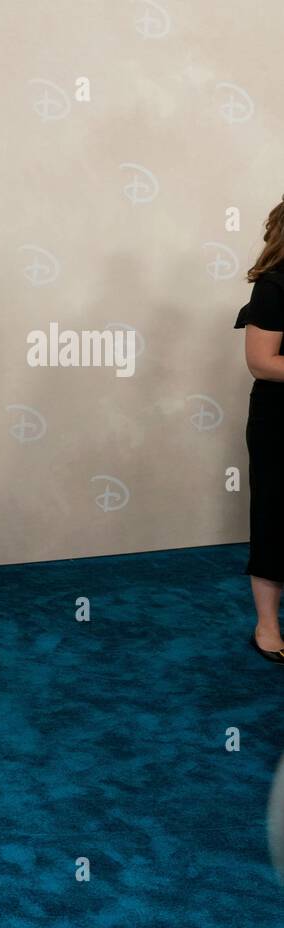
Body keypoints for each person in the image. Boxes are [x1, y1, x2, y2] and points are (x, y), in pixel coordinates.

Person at [237, 194, 284, 665]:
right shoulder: (273, 287)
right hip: (279, 426)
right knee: (274, 521)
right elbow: (261, 363)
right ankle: (267, 626)